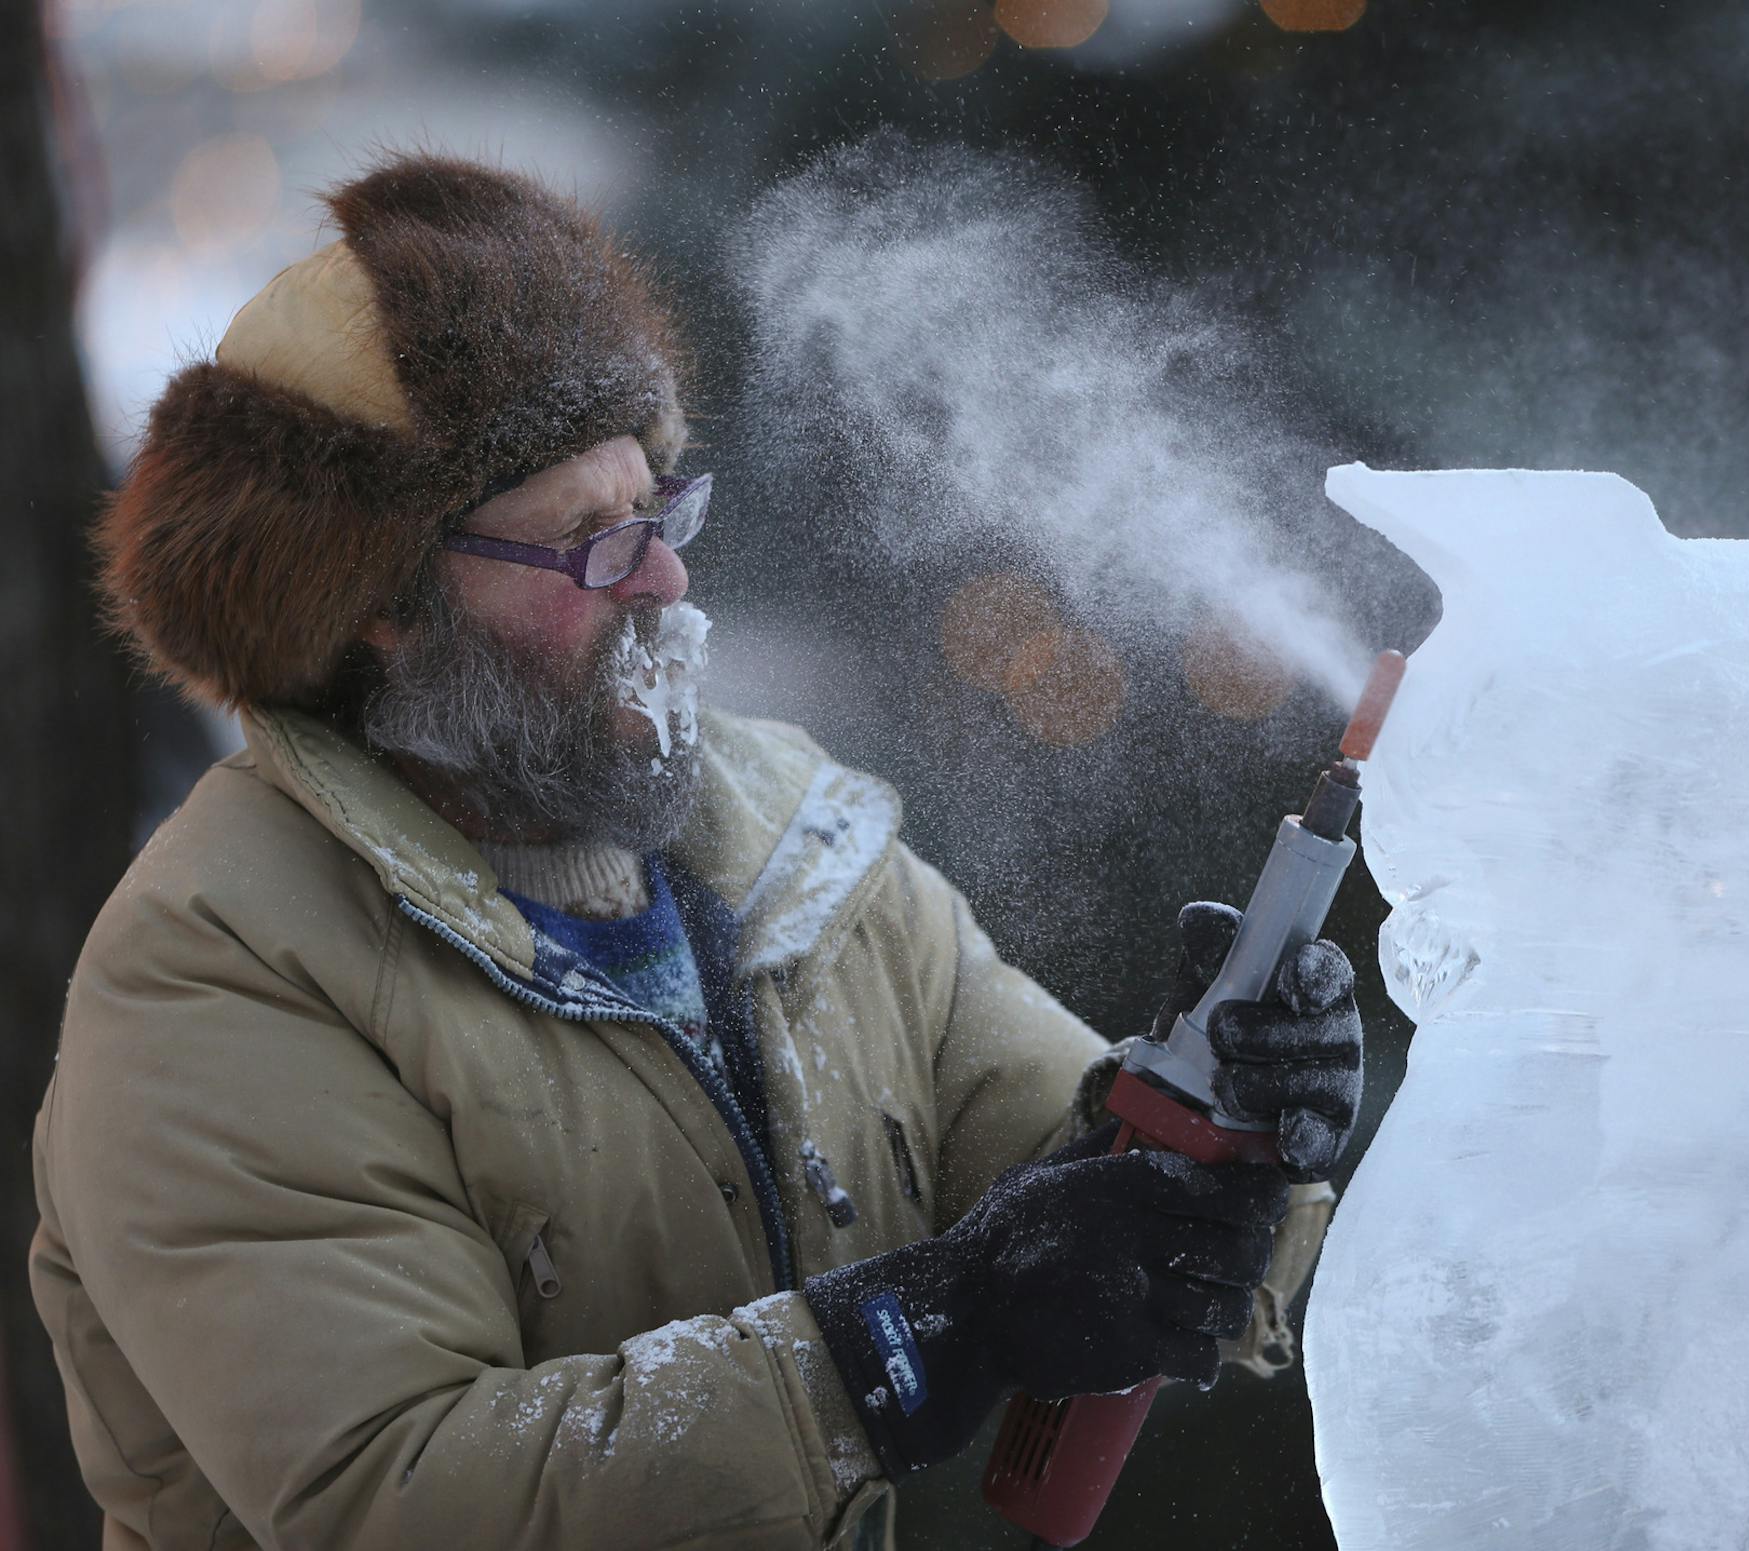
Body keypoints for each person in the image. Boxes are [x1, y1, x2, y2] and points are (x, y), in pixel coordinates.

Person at [27, 152, 1363, 1551]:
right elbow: (397, 1491)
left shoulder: (787, 838)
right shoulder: (219, 975)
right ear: (385, 606)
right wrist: (911, 1340)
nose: (664, 576)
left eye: (660, 509)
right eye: (590, 544)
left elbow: (1046, 1184)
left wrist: (1213, 1134)